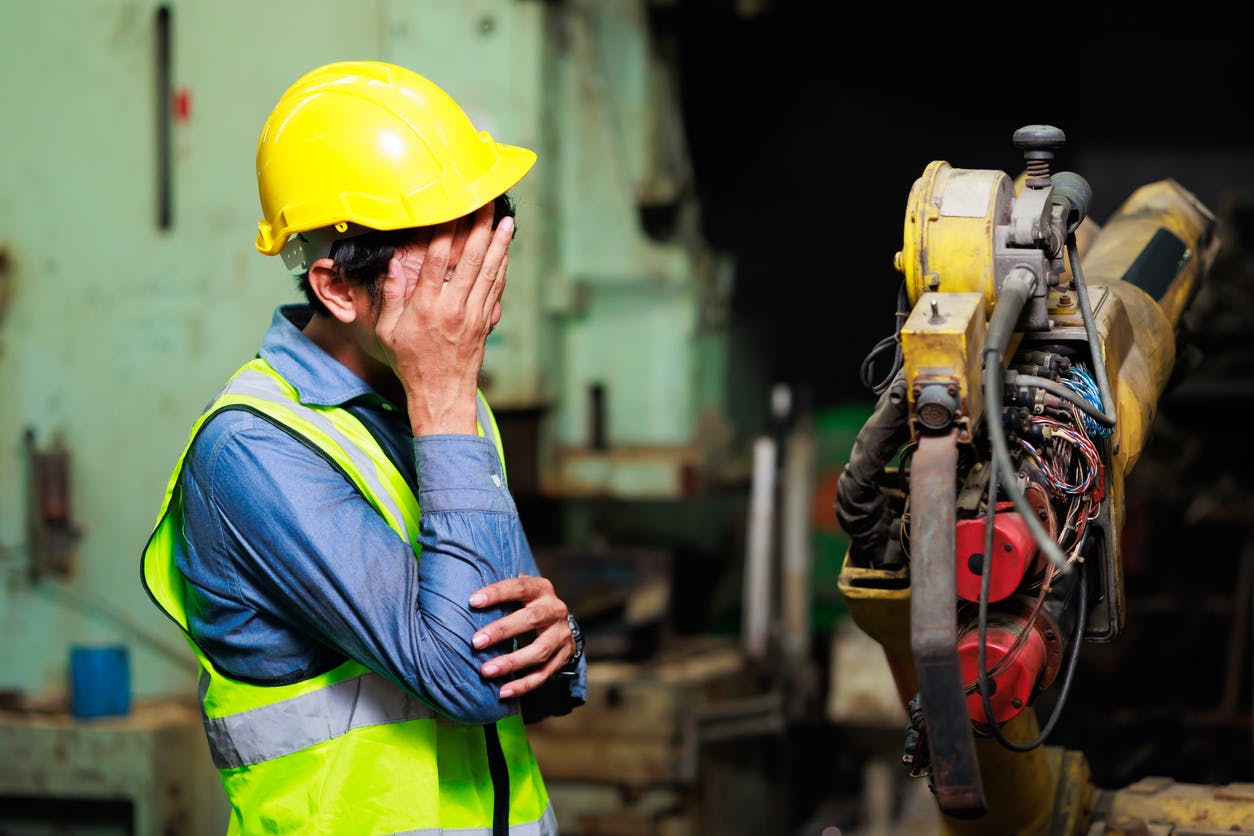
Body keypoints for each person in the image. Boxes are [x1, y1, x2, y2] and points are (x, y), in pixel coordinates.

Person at [141, 60, 585, 835]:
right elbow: (469, 679)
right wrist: (446, 394)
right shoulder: (251, 452)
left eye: (489, 230)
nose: (481, 282)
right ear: (338, 288)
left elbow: (519, 668)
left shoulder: (444, 405)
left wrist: (561, 645)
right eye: (449, 256)